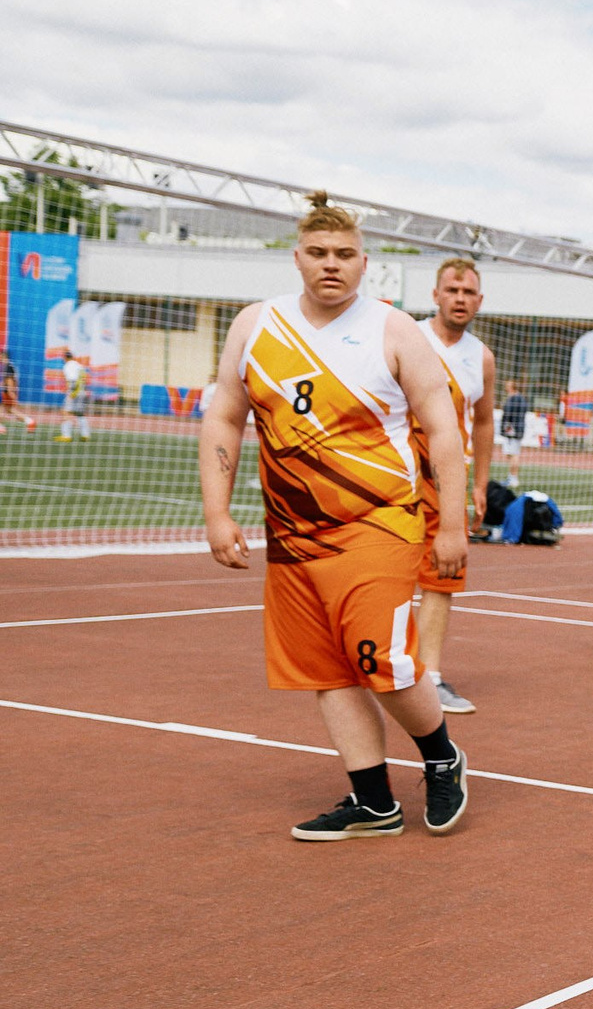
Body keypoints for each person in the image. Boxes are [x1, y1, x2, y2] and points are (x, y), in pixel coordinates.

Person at [197, 194, 470, 838]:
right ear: (297, 258)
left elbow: (444, 430)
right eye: (318, 253)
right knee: (326, 669)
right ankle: (373, 800)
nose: (331, 265)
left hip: (379, 522)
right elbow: (226, 416)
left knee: (381, 661)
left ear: (364, 262)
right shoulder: (255, 326)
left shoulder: (392, 328)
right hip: (291, 535)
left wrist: (453, 524)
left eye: (344, 255)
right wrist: (216, 512)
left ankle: (442, 757)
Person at [413, 258, 497, 715]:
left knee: (442, 578)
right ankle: (384, 666)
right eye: (452, 290)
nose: (460, 299)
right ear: (436, 295)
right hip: (395, 478)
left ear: (479, 301)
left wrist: (479, 483)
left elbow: (482, 423)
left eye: (468, 293)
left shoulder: (480, 356)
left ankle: (431, 677)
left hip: (446, 484)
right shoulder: (408, 337)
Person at [57, 352, 91, 441]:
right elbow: (84, 379)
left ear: (65, 358)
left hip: (74, 391)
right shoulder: (79, 366)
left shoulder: (68, 366)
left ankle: (66, 435)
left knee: (65, 412)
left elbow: (72, 379)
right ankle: (85, 434)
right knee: (80, 413)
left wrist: (70, 392)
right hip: (82, 391)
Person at [497, 379, 528, 465]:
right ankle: (511, 476)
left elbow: (509, 414)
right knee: (509, 453)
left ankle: (513, 477)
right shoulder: (514, 398)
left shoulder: (516, 398)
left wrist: (509, 427)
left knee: (514, 453)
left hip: (513, 429)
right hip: (512, 429)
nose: (506, 387)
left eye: (508, 385)